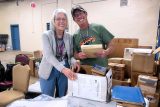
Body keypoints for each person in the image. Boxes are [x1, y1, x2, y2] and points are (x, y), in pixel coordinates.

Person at [38, 8, 80, 98]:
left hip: (64, 69)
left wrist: (74, 62)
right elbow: (48, 56)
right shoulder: (46, 35)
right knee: (47, 98)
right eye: (58, 19)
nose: (61, 21)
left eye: (64, 19)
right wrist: (63, 69)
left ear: (67, 21)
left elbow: (70, 56)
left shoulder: (69, 37)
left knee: (62, 97)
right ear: (53, 21)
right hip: (49, 69)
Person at [71, 5, 114, 70]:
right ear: (74, 19)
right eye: (76, 15)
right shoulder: (75, 35)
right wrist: (78, 56)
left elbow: (112, 44)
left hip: (101, 68)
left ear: (86, 14)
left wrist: (106, 52)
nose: (79, 16)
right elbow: (74, 54)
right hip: (85, 68)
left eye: (80, 13)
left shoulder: (99, 28)